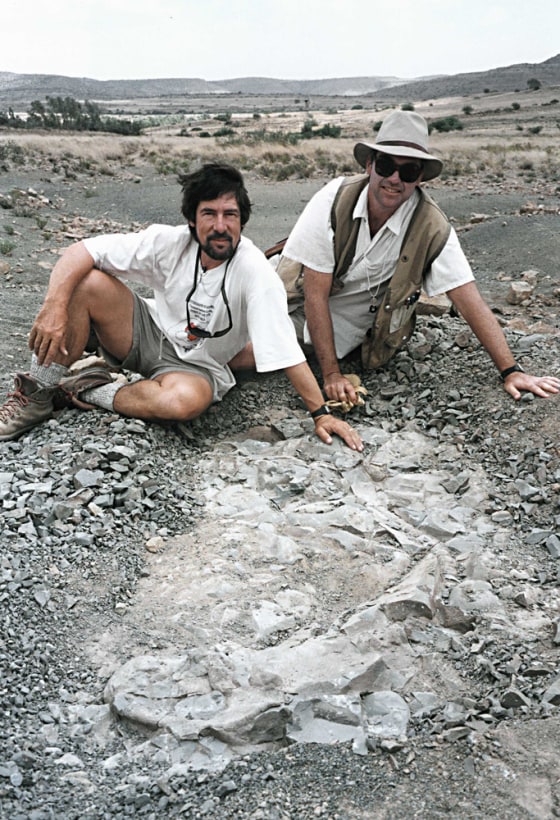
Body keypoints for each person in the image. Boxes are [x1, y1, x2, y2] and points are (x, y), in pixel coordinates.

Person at [0, 163, 363, 451]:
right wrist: (53, 306)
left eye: (230, 215)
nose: (220, 226)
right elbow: (83, 250)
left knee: (182, 404)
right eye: (209, 214)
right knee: (86, 282)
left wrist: (320, 414)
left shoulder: (256, 273)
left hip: (198, 367)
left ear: (242, 220)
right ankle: (37, 393)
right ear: (192, 219)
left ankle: (84, 390)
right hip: (147, 333)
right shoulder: (169, 242)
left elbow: (286, 351)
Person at [274, 110, 559, 407]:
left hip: (342, 327)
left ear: (420, 178)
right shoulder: (335, 198)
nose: (395, 179)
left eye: (408, 171)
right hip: (289, 292)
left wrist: (510, 371)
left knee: (253, 351)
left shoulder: (431, 226)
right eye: (386, 165)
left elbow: (468, 299)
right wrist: (332, 374)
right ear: (370, 165)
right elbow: (314, 293)